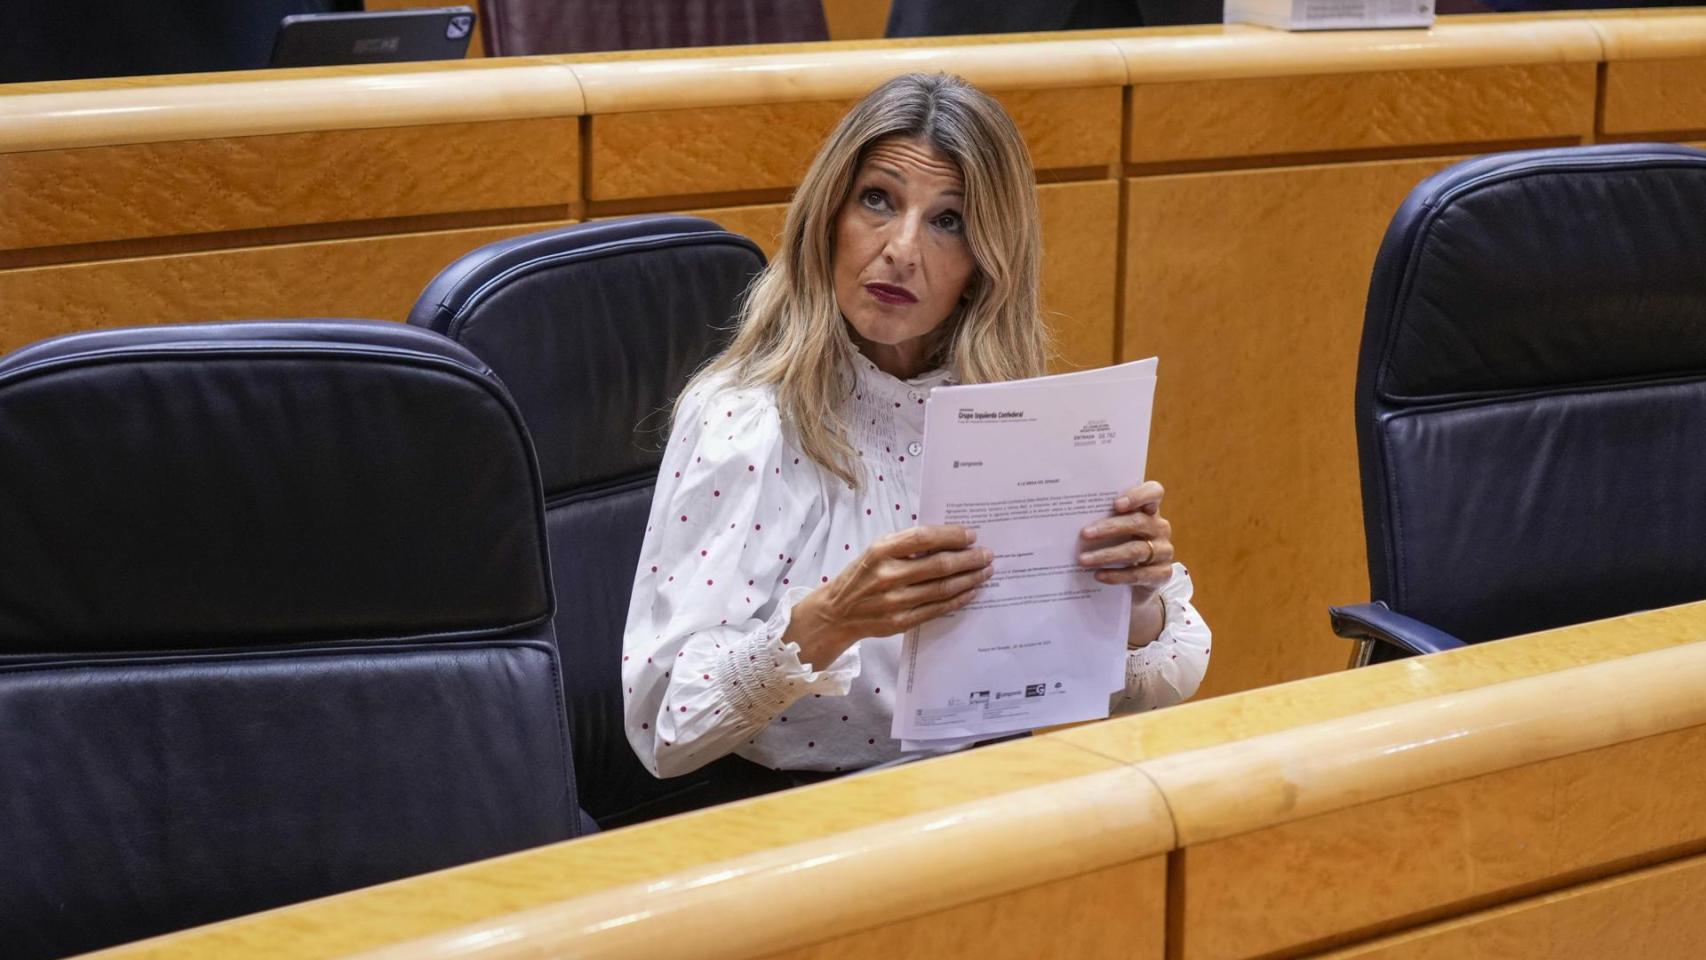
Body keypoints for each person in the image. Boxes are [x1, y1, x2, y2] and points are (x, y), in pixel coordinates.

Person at [623, 72, 1211, 780]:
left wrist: (1132, 603)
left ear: (985, 262)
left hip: (980, 794)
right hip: (793, 820)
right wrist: (831, 619)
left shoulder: (1016, 415)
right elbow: (662, 728)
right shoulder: (746, 420)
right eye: (878, 200)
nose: (902, 248)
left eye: (948, 220)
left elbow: (1156, 687)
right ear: (828, 217)